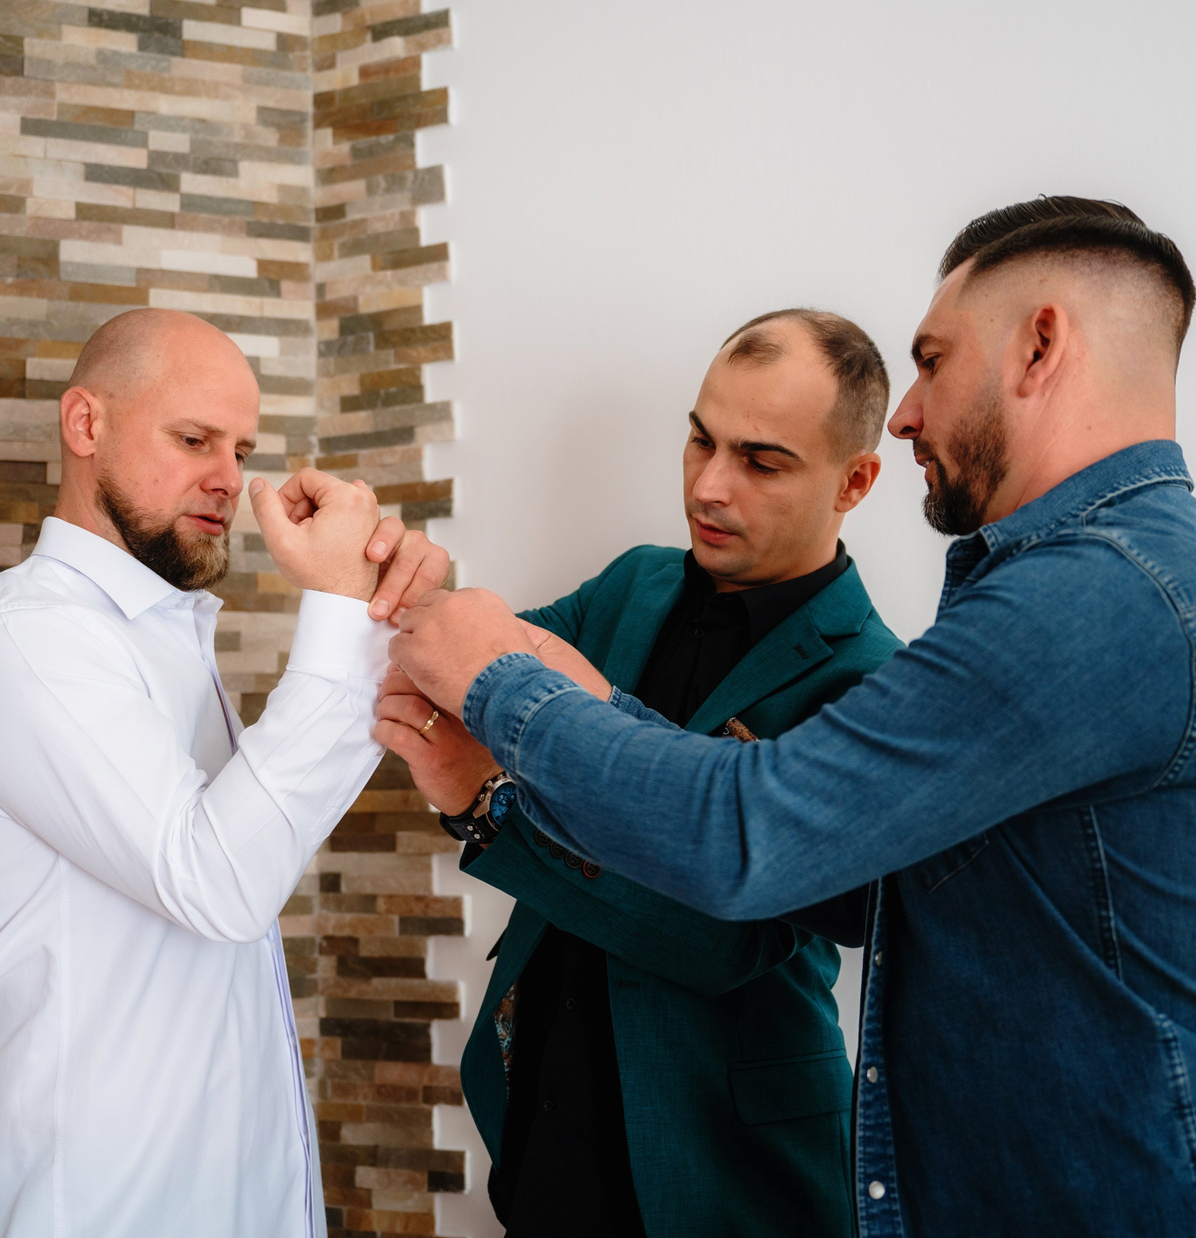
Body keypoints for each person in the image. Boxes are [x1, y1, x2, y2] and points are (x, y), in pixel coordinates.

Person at [384, 199, 1196, 1237]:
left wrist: (500, 693)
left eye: (932, 361)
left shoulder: (1106, 594)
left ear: (1040, 347)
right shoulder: (1094, 583)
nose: (906, 414)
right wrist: (477, 644)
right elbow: (865, 888)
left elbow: (751, 836)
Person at [0, 309, 449, 1238]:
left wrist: (380, 612)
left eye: (242, 450)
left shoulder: (160, 638)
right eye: (195, 440)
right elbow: (217, 881)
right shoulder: (24, 641)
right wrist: (340, 608)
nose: (229, 477)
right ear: (86, 424)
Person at [378, 310, 900, 1237]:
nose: (708, 485)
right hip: (541, 1121)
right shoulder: (635, 585)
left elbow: (719, 939)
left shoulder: (868, 683)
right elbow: (467, 681)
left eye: (761, 461)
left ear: (854, 481)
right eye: (700, 439)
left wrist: (488, 802)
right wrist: (377, 569)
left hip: (725, 1168)